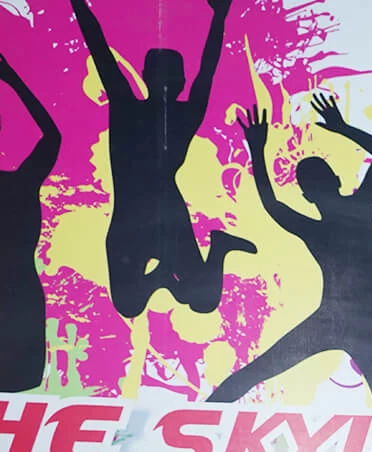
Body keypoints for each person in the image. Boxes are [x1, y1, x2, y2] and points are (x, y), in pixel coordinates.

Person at [209, 97, 372, 452]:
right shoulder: (337, 216)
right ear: (311, 193)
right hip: (341, 315)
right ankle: (201, 417)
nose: (314, 187)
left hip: (366, 317)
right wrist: (337, 128)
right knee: (264, 371)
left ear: (318, 188)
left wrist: (259, 147)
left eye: (315, 179)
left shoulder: (349, 210)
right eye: (311, 182)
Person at [70, 0, 254, 318]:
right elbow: (205, 70)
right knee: (131, 305)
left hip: (161, 218)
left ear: (144, 75)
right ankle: (162, 277)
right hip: (134, 219)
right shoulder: (140, 109)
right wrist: (219, 16)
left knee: (201, 300)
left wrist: (220, 16)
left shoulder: (144, 108)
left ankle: (198, 258)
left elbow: (101, 50)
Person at [0, 54, 60, 392]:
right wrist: (12, 79)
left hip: (20, 297)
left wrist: (12, 78)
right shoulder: (20, 183)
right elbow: (52, 136)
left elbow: (52, 138)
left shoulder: (19, 184)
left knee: (20, 388)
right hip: (21, 294)